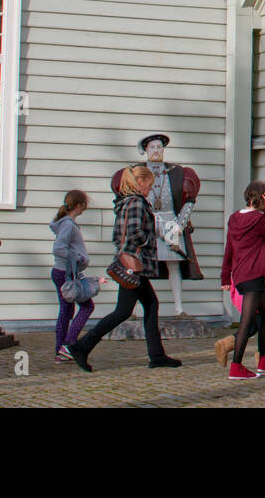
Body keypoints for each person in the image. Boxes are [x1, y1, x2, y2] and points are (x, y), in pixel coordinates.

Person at [67, 166, 181, 372]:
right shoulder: (137, 203)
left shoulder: (124, 203)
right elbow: (135, 233)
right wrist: (151, 241)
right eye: (149, 185)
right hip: (134, 265)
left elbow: (117, 237)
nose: (151, 189)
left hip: (131, 263)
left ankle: (157, 355)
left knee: (151, 305)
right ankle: (81, 347)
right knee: (122, 312)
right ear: (139, 183)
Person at [110, 133, 203, 317]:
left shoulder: (177, 172)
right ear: (145, 150)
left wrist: (180, 225)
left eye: (159, 147)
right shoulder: (135, 173)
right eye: (152, 147)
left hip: (170, 221)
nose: (156, 151)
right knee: (138, 265)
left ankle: (179, 308)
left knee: (174, 264)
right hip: (145, 220)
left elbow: (189, 201)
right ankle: (134, 309)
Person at [220, 181, 265, 379]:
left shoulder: (234, 218)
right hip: (253, 275)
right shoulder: (259, 219)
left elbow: (229, 248)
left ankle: (264, 361)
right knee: (247, 322)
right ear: (264, 198)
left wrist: (225, 276)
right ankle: (236, 367)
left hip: (240, 275)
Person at [50, 190, 101, 363]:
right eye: (85, 205)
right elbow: (58, 248)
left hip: (62, 271)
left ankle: (60, 351)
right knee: (87, 307)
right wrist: (78, 258)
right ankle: (69, 346)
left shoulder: (64, 223)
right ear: (79, 205)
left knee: (66, 311)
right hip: (66, 273)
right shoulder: (68, 225)